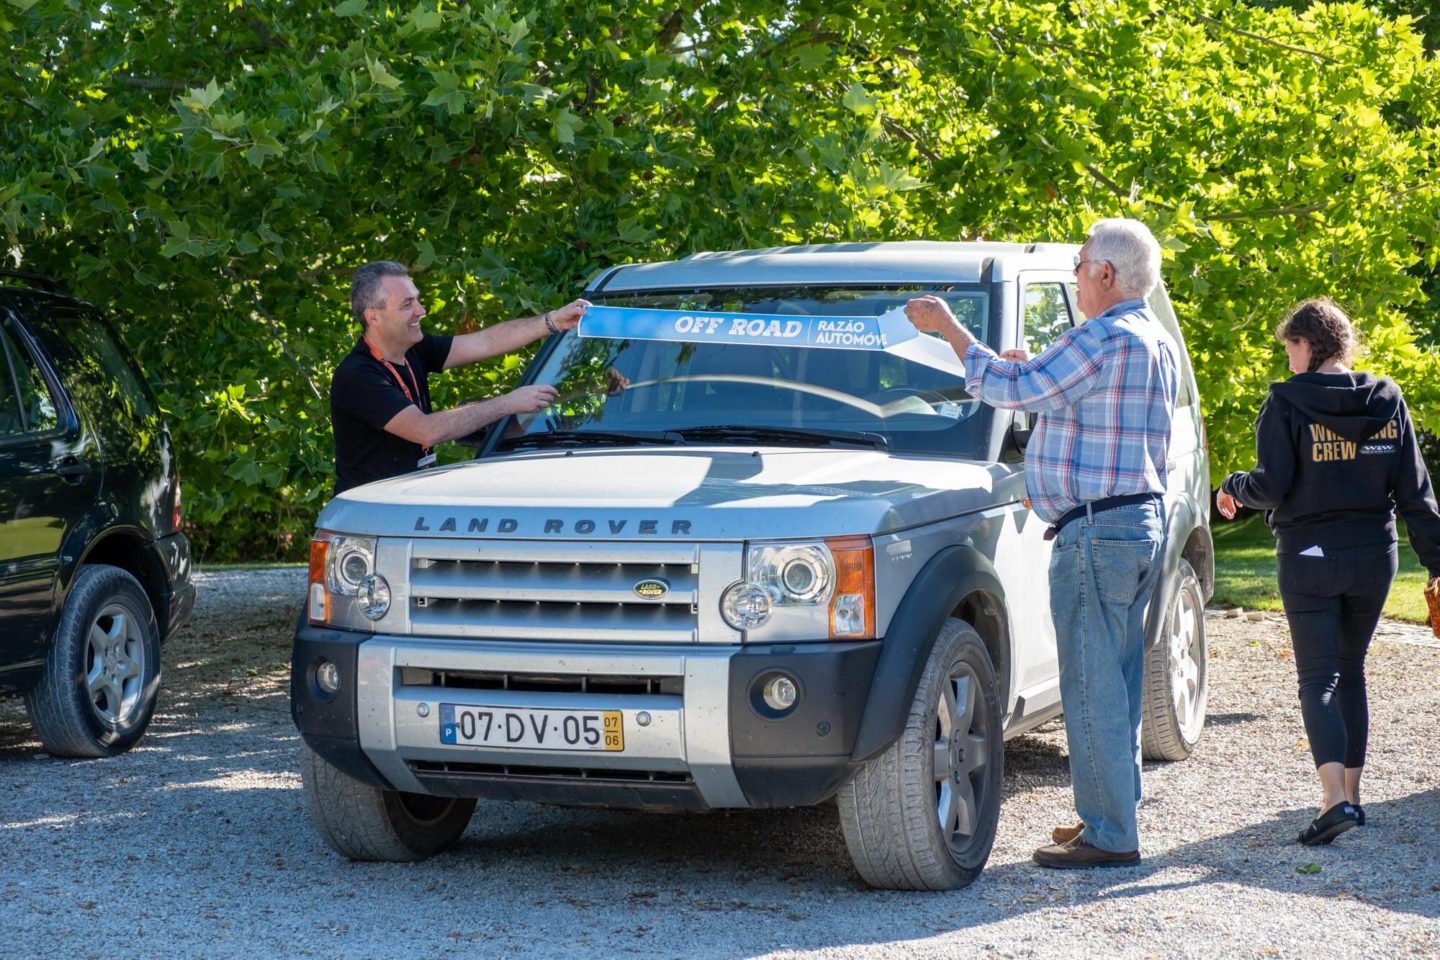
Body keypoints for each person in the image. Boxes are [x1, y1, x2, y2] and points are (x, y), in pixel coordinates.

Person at [905, 218, 1179, 869]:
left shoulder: (1102, 336)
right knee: (1119, 681)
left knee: (1089, 687)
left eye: (1081, 266)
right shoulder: (1152, 339)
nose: (1077, 277)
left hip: (1096, 533)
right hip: (1138, 526)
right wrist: (1033, 375)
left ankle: (1111, 836)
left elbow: (1006, 391)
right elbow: (1067, 401)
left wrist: (949, 329)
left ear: (1107, 275)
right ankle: (1113, 817)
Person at [1216, 298, 1440, 845]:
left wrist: (1232, 486)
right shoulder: (1388, 399)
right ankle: (1354, 798)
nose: (1288, 359)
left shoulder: (1286, 403)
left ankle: (1334, 800)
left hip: (1310, 555)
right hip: (1374, 556)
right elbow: (1415, 493)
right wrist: (1437, 563)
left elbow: (1271, 485)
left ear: (1307, 345)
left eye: (1289, 347)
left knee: (1319, 679)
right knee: (1352, 671)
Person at [331, 260, 588, 494]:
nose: (421, 310)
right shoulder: (358, 375)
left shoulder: (414, 349)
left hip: (408, 499)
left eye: (417, 300)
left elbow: (485, 342)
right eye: (407, 304)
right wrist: (508, 403)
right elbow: (426, 431)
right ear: (373, 316)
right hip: (369, 512)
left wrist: (552, 321)